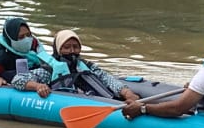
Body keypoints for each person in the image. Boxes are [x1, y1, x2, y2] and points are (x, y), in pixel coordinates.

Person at [11, 29, 141, 101]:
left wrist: (126, 92)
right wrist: (38, 86)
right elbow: (18, 79)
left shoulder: (86, 66)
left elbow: (107, 78)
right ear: (58, 49)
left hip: (99, 100)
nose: (72, 51)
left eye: (75, 47)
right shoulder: (49, 70)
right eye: (67, 47)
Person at [0, 17, 44, 86]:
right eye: (21, 37)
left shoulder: (35, 50)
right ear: (10, 39)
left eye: (28, 35)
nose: (26, 39)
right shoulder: (1, 58)